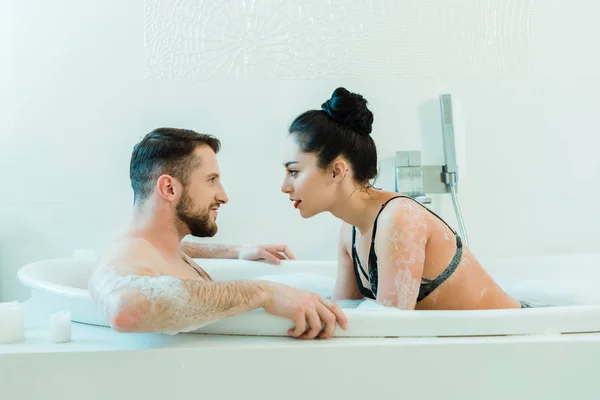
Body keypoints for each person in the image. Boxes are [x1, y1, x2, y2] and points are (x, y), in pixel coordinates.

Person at [280, 87, 528, 310]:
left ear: (336, 171)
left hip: (520, 339)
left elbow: (391, 333)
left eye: (294, 172)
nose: (284, 187)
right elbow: (345, 315)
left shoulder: (398, 218)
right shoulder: (350, 231)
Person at [88, 128, 348, 340]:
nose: (223, 195)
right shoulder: (127, 253)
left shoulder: (154, 246)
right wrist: (265, 292)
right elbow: (124, 309)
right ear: (168, 188)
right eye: (211, 180)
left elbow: (173, 251)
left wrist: (234, 251)